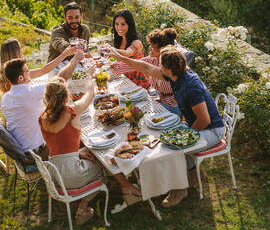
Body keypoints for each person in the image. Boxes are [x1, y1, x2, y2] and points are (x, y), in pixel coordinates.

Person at [106, 46, 225, 207]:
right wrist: (120, 58)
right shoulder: (176, 75)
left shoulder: (191, 87)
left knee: (171, 147)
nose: (158, 67)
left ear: (168, 69)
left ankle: (179, 189)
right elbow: (146, 67)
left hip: (212, 130)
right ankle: (193, 174)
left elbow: (204, 120)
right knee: (164, 135)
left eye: (160, 64)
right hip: (198, 126)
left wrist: (182, 137)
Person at [39, 75, 141, 226]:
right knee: (103, 159)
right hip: (72, 174)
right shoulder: (71, 111)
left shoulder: (42, 117)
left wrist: (78, 153)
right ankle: (123, 190)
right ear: (66, 96)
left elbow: (58, 143)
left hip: (54, 172)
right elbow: (90, 93)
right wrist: (89, 75)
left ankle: (126, 187)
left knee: (92, 152)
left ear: (47, 97)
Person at [0, 46, 80, 161]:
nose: (30, 73)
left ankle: (77, 154)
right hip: (37, 154)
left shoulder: (5, 97)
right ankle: (76, 160)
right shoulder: (29, 92)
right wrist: (74, 60)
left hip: (23, 150)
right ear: (20, 78)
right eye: (27, 71)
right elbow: (60, 79)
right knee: (71, 128)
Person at [109, 9, 149, 88]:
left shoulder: (136, 42)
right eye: (116, 24)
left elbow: (127, 53)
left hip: (139, 85)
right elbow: (123, 62)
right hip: (125, 81)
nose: (119, 27)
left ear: (130, 25)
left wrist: (110, 49)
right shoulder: (120, 40)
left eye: (123, 24)